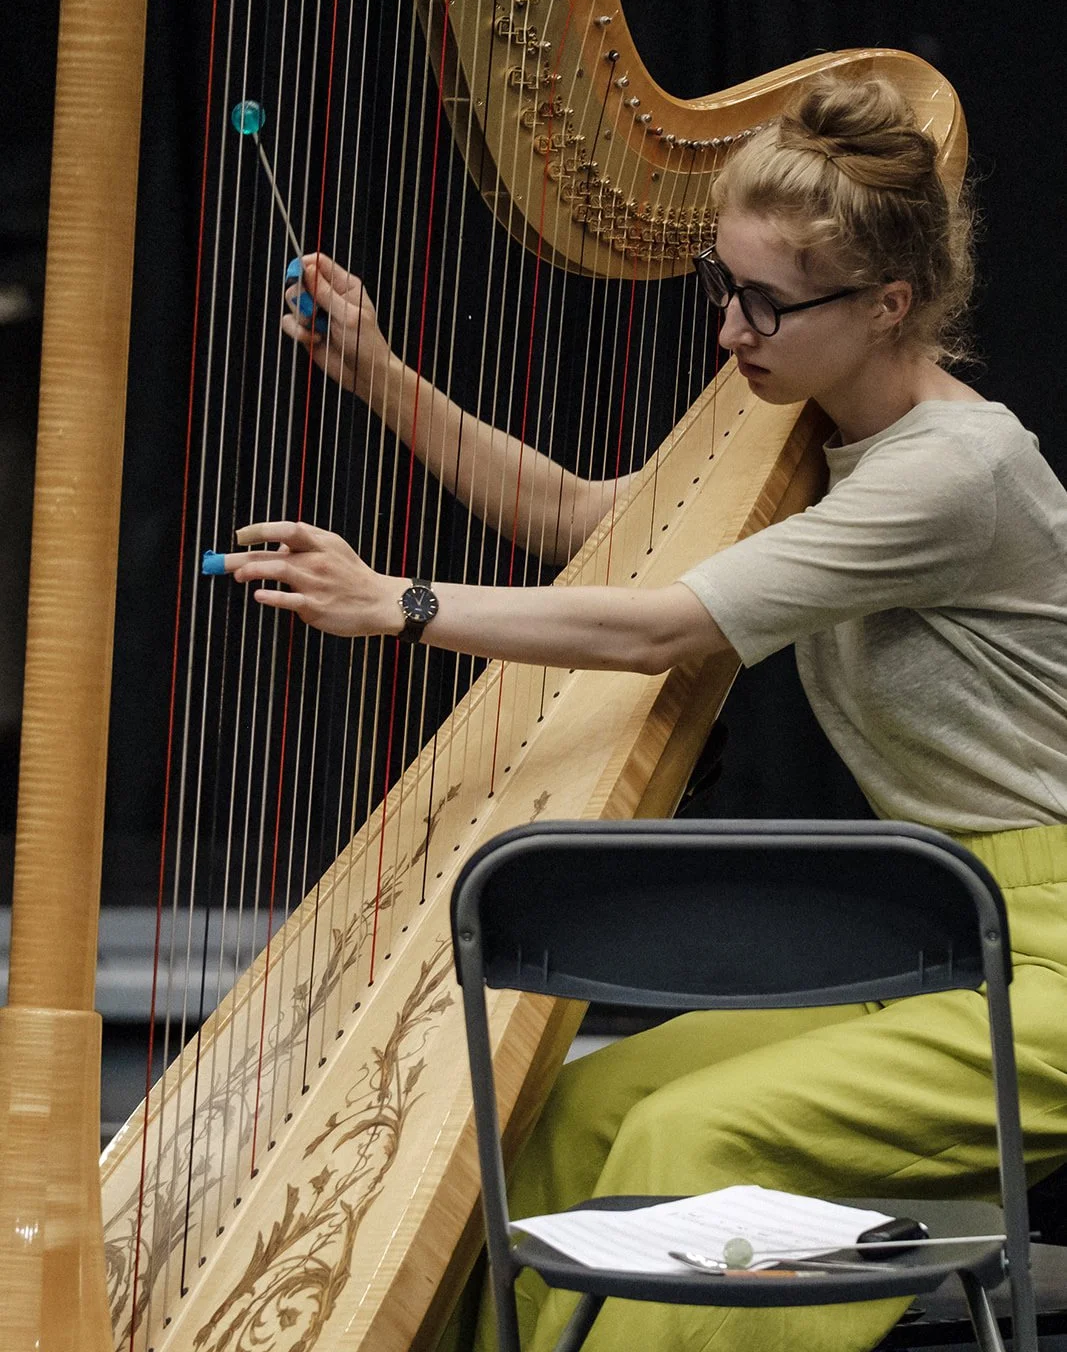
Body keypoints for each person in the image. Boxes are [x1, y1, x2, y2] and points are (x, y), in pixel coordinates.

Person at [224, 76, 1067, 1352]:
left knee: (687, 1137)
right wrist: (381, 376)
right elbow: (586, 524)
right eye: (720, 289)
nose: (730, 331)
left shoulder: (954, 472)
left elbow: (658, 624)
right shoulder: (821, 435)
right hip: (970, 930)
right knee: (576, 1107)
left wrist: (396, 600)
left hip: (1047, 954)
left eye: (766, 304)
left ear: (888, 303)